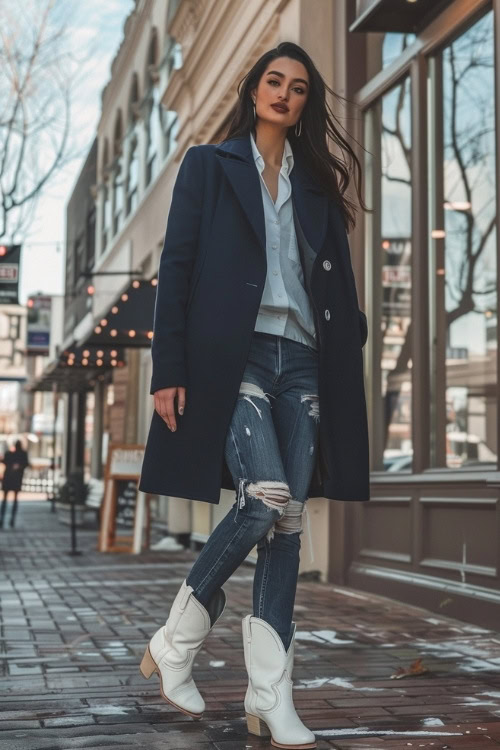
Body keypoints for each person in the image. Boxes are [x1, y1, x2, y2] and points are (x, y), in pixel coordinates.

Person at [138, 41, 370, 749]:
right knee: (262, 495)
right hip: (231, 355)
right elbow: (176, 267)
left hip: (303, 359)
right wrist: (168, 367)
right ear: (255, 88)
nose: (286, 94)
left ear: (306, 103)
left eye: (299, 88)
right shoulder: (210, 165)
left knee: (289, 520)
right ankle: (175, 643)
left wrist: (351, 332)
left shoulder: (318, 186)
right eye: (275, 80)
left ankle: (270, 695)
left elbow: (337, 284)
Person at [0, 439, 29, 529]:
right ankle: (10, 519)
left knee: (5, 499)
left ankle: (3, 519)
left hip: (9, 478)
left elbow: (4, 461)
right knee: (12, 500)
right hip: (14, 479)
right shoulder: (22, 454)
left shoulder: (10, 454)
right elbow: (26, 464)